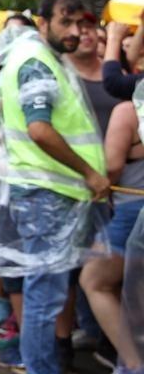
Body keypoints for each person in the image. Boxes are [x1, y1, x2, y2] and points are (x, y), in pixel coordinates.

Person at [0, 0, 110, 374]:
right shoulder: (37, 63)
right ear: (42, 22)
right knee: (44, 297)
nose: (74, 31)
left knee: (45, 295)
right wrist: (90, 173)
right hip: (46, 195)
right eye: (64, 22)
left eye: (79, 23)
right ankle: (40, 368)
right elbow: (39, 129)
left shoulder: (42, 57)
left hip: (51, 192)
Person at [78, 99, 144, 374]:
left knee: (94, 279)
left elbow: (112, 165)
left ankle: (133, 364)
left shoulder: (129, 111)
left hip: (133, 208)